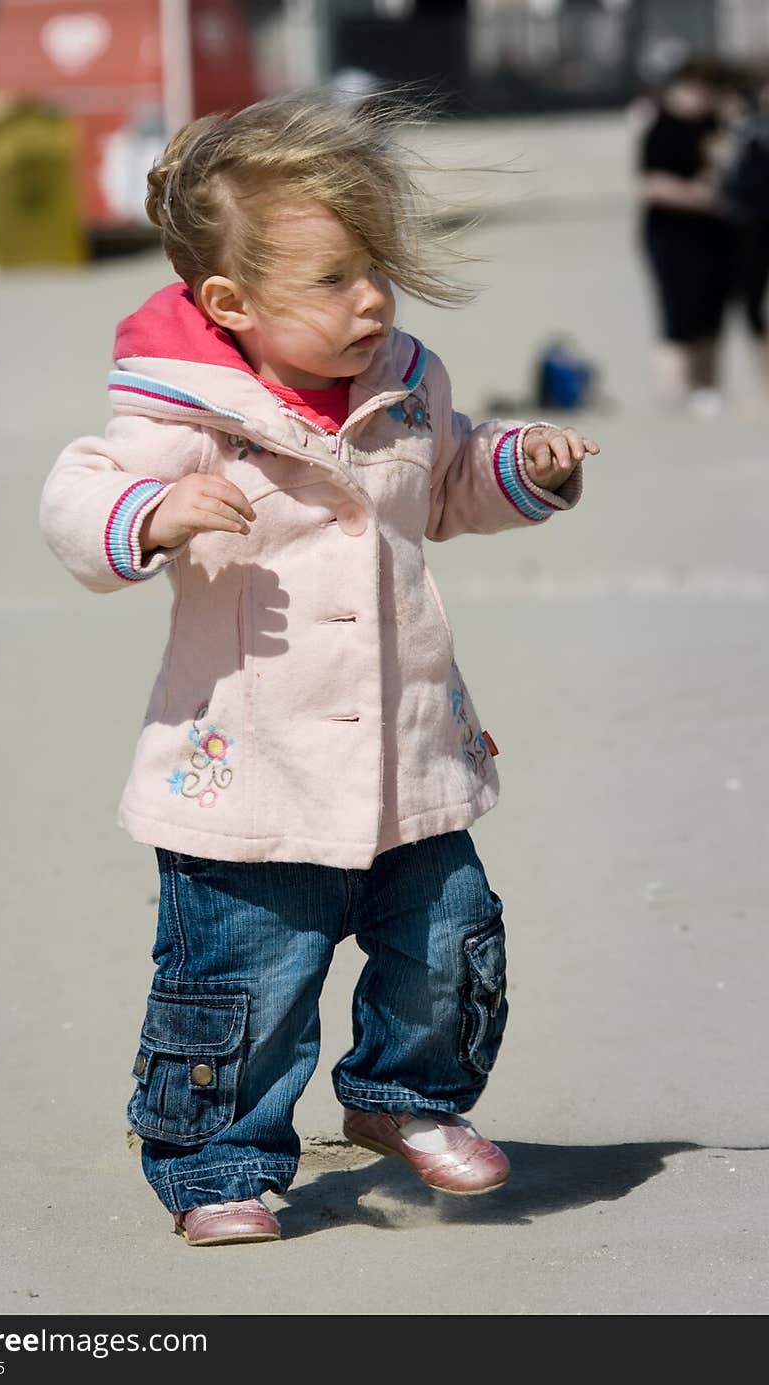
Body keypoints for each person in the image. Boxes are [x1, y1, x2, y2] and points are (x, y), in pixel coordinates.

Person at [39, 91, 600, 1248]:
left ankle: (405, 1095)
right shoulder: (181, 411)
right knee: (248, 983)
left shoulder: (403, 379)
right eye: (335, 279)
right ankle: (219, 1157)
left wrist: (520, 463)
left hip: (407, 750)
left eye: (376, 271)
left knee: (449, 938)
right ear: (230, 303)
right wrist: (147, 513)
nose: (371, 300)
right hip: (251, 764)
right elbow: (77, 493)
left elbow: (444, 487)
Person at [636, 57, 735, 415]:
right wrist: (697, 196)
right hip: (670, 237)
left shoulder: (716, 126)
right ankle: (673, 397)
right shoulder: (662, 126)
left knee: (710, 318)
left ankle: (708, 392)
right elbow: (650, 185)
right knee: (676, 318)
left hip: (714, 237)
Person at [718, 65, 769, 397]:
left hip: (754, 224)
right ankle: (764, 386)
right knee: (752, 307)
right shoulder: (746, 132)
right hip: (751, 228)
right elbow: (729, 182)